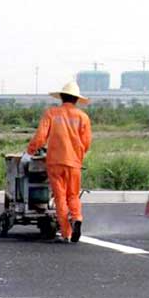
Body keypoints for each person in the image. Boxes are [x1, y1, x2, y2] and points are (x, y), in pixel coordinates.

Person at [24, 81, 92, 243]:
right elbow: (86, 142)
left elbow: (41, 137)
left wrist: (29, 152)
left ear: (61, 97)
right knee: (73, 195)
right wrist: (78, 155)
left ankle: (66, 233)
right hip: (74, 162)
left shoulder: (52, 113)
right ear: (76, 99)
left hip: (55, 162)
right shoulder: (83, 117)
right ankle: (77, 218)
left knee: (60, 197)